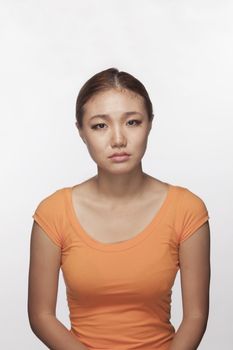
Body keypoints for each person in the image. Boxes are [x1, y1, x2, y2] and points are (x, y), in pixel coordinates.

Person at [28, 67, 211, 350]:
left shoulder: (187, 210)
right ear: (81, 132)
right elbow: (41, 316)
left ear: (150, 123)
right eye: (100, 125)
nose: (117, 140)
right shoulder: (53, 213)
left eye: (132, 122)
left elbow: (196, 315)